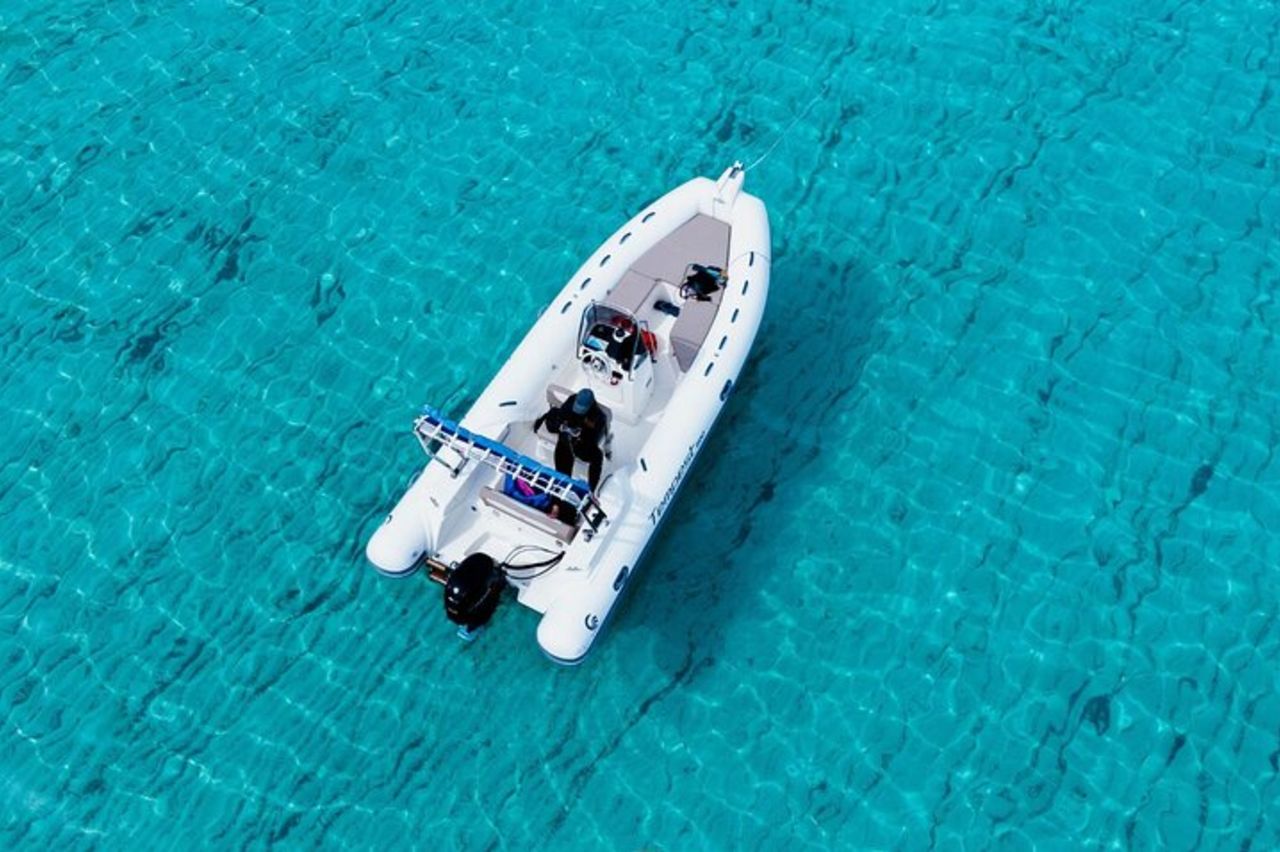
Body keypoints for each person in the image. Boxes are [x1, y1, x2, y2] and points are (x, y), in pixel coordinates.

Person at [534, 388, 606, 491]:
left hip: (581, 444)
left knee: (597, 456)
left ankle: (591, 489)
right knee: (562, 475)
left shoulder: (598, 417)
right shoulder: (571, 401)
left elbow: (593, 440)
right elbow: (560, 416)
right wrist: (562, 427)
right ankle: (561, 485)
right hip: (565, 440)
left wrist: (581, 435)